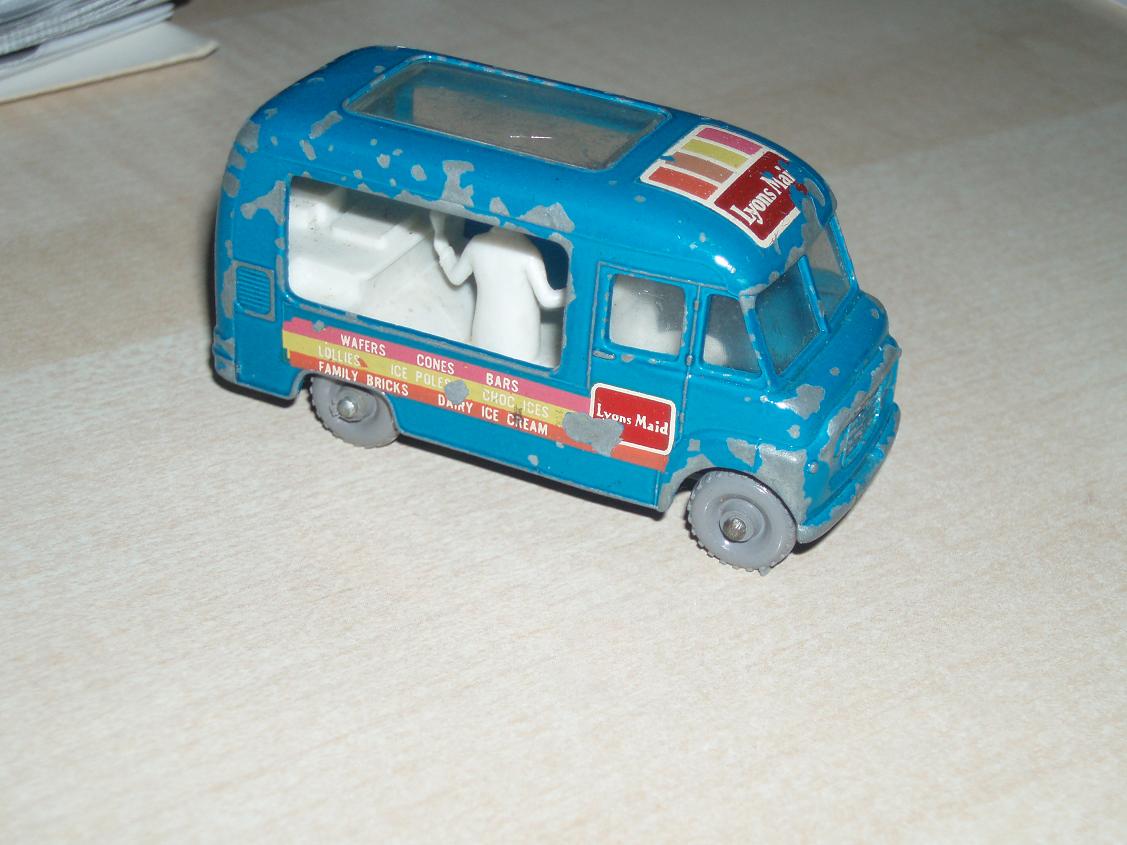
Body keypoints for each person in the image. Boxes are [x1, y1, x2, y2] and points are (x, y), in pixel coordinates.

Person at [431, 212, 565, 362]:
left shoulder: (477, 244)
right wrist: (576, 293)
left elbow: (455, 278)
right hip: (520, 344)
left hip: (484, 336)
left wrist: (441, 242)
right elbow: (548, 299)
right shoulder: (528, 254)